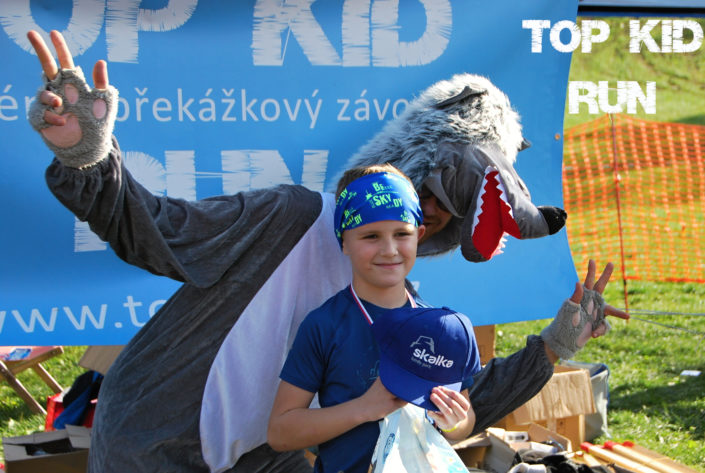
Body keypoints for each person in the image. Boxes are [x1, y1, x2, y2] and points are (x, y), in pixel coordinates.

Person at [26, 30, 628, 473]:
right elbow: (157, 229)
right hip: (151, 439)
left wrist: (553, 347)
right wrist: (89, 158)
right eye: (422, 197)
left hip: (262, 454)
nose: (410, 231)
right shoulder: (289, 219)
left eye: (432, 221)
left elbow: (451, 400)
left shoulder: (397, 303)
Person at [267, 165, 482, 473]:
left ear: (419, 236)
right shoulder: (325, 325)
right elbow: (280, 432)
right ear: (344, 241)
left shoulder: (442, 329)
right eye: (371, 236)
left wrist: (454, 422)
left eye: (402, 234)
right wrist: (364, 409)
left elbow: (464, 422)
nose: (390, 250)